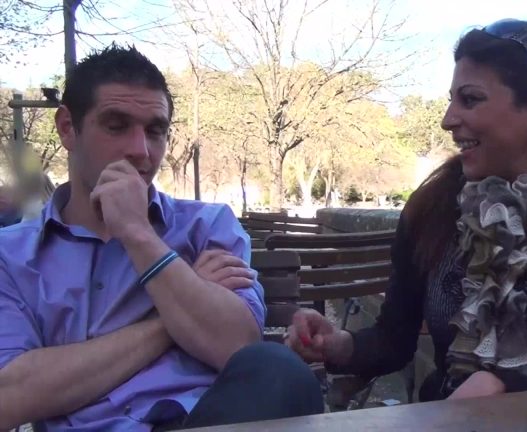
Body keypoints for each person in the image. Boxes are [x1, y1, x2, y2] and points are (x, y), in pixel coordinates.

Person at [285, 19, 527, 402]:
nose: (448, 120)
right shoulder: (430, 209)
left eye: (470, 99)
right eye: (451, 100)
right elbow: (394, 339)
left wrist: (508, 389)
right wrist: (337, 344)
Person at [0, 45, 323, 432]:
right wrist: (168, 320)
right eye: (116, 126)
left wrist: (140, 236)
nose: (141, 151)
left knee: (280, 368)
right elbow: (10, 397)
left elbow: (238, 347)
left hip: (206, 422)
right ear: (68, 128)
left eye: (155, 131)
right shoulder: (11, 254)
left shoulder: (207, 225)